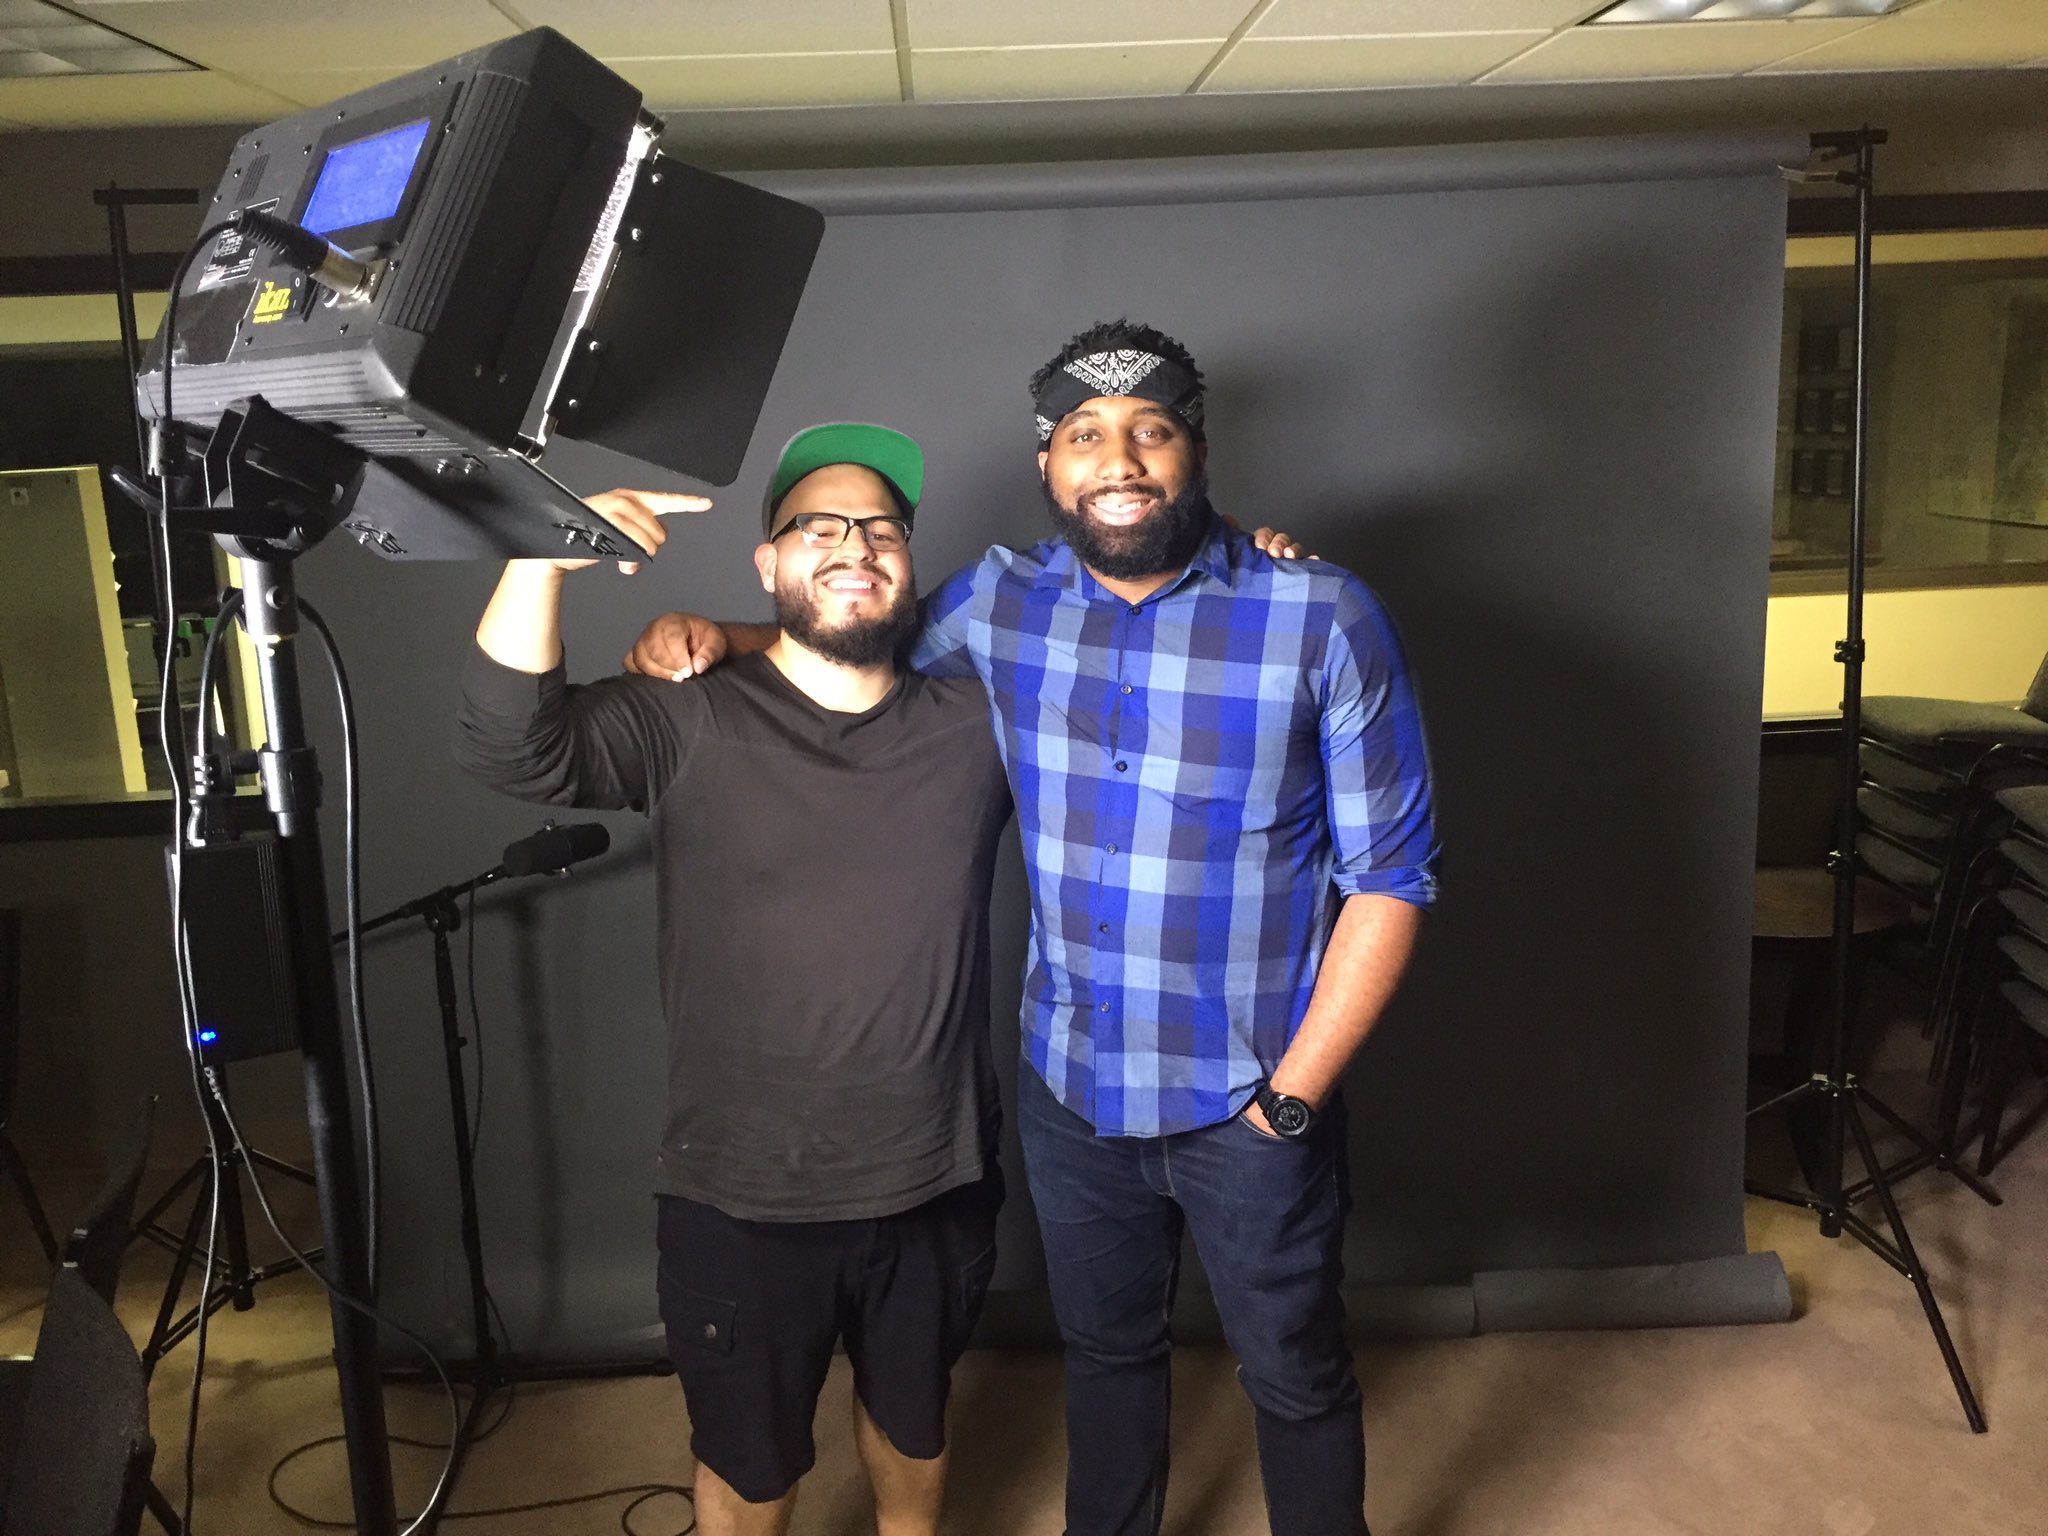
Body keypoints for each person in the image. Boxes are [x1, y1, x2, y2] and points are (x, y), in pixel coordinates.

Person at [626, 321, 1441, 1536]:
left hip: (1250, 1096)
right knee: (1105, 1359)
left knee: (1294, 1374)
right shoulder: (1000, 602)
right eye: (1084, 435)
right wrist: (717, 636)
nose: (1119, 459)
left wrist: (1292, 1100)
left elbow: (1391, 878)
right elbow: (860, 641)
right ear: (1047, 466)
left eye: (1150, 431)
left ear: (1194, 452)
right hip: (1074, 1099)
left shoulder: (1320, 615)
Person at [452, 424, 1015, 1536]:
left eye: (880, 529)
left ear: (907, 563)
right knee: (751, 1470)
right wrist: (540, 561)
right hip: (743, 1195)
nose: (853, 545)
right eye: (818, 526)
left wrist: (1239, 550)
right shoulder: (690, 717)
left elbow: (1134, 634)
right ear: (768, 562)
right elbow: (510, 746)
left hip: (935, 1175)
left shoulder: (978, 725)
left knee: (915, 1425)